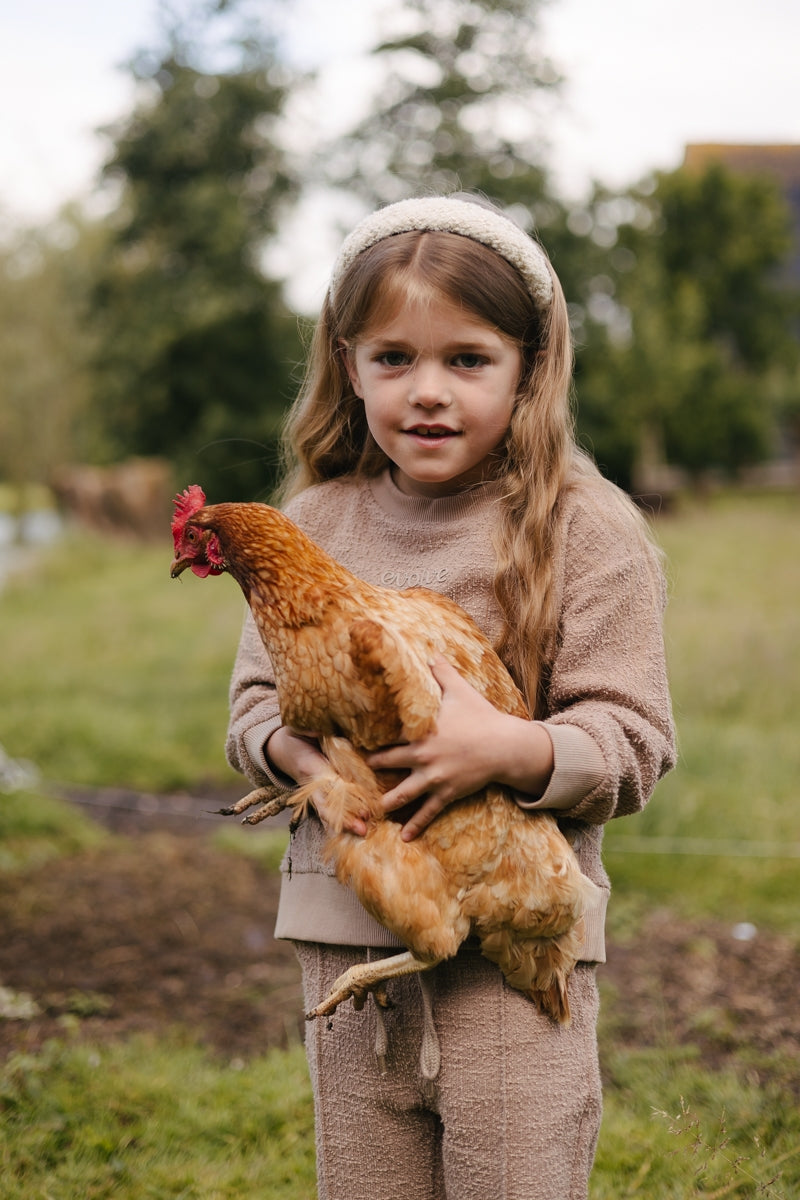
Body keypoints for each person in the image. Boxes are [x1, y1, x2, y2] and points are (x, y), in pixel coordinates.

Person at [226, 193, 676, 1200]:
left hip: (514, 959)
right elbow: (255, 707)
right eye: (393, 359)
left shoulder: (583, 530)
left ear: (528, 366)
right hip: (349, 949)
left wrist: (507, 751)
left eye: (465, 360)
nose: (426, 392)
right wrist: (296, 760)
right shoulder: (316, 523)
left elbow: (632, 736)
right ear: (348, 365)